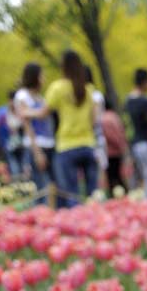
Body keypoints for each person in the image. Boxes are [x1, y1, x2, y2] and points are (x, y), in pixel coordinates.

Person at [34, 50, 100, 206]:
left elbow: (43, 113)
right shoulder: (89, 90)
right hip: (88, 144)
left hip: (67, 146)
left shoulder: (58, 88)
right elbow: (95, 120)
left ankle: (78, 226)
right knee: (92, 196)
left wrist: (25, 112)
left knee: (72, 195)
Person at [15, 63, 55, 201]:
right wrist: (37, 152)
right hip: (36, 145)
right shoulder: (22, 95)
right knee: (41, 188)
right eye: (41, 75)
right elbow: (27, 125)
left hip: (49, 144)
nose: (44, 79)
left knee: (53, 187)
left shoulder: (40, 97)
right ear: (34, 76)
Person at [101, 100, 128, 195]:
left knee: (112, 176)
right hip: (118, 150)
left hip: (110, 151)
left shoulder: (104, 118)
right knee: (119, 174)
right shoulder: (115, 117)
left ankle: (116, 196)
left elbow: (109, 135)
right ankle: (124, 194)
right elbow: (122, 132)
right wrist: (122, 146)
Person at [5, 91, 28, 177]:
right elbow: (11, 126)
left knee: (25, 167)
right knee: (15, 170)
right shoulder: (8, 112)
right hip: (13, 144)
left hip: (23, 144)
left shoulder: (21, 110)